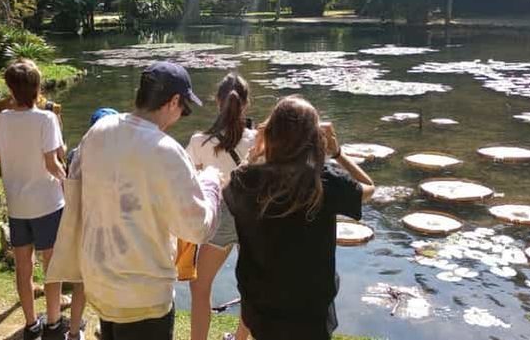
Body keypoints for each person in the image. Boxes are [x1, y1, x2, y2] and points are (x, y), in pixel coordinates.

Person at [73, 61, 222, 340]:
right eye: (184, 109)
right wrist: (211, 183)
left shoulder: (98, 130)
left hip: (100, 281)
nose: (181, 116)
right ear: (173, 101)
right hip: (143, 297)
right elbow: (197, 229)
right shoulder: (167, 151)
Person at [223, 95, 375, 340]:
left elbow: (229, 186)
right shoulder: (324, 182)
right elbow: (369, 187)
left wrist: (253, 154)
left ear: (271, 134)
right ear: (314, 138)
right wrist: (337, 153)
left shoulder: (247, 180)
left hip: (262, 304)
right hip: (310, 308)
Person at [0, 60, 85, 340]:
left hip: (17, 204)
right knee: (51, 266)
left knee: (23, 266)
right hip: (46, 203)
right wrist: (67, 181)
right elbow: (52, 163)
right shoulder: (46, 119)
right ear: (37, 88)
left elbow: (0, 158)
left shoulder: (4, 118)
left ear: (11, 89)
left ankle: (31, 323)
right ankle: (54, 323)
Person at [186, 74, 253, 340]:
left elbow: (189, 181)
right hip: (252, 217)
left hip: (220, 216)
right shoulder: (258, 141)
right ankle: (240, 338)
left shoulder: (199, 142)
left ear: (217, 101)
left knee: (199, 287)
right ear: (246, 104)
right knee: (251, 287)